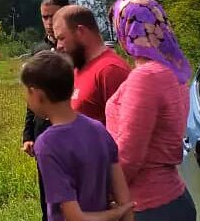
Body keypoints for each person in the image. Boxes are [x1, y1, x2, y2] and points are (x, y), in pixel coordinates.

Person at [105, 0, 196, 220]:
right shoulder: (173, 70)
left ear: (126, 29)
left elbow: (129, 155)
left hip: (146, 204)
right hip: (173, 196)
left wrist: (103, 193)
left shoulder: (145, 77)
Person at [21, 51, 135, 221]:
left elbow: (75, 217)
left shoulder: (46, 144)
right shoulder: (98, 129)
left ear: (37, 95)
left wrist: (114, 214)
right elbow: (125, 202)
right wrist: (119, 213)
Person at [24, 0, 72, 221]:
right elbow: (31, 97)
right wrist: (28, 134)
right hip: (43, 133)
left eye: (53, 16)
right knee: (48, 196)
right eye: (44, 17)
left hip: (72, 132)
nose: (49, 23)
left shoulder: (76, 50)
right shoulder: (38, 51)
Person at [51, 5, 130, 124]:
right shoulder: (78, 66)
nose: (58, 46)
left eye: (61, 38)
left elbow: (126, 128)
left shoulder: (110, 71)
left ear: (80, 31)